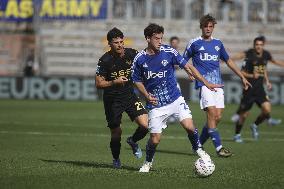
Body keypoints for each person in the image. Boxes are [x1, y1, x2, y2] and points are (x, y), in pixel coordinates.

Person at [132, 23, 221, 173]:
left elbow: (189, 66)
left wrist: (205, 82)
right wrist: (146, 95)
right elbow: (136, 80)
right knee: (155, 139)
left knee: (189, 126)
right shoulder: (139, 59)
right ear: (148, 38)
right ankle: (148, 162)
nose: (160, 41)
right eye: (156, 38)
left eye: (161, 38)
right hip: (156, 105)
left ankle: (198, 149)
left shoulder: (169, 51)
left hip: (175, 99)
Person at [182, 14, 251, 156]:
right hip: (204, 84)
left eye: (210, 26)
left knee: (217, 117)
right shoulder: (194, 43)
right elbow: (183, 60)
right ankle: (219, 148)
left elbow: (229, 61)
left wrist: (242, 76)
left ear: (213, 28)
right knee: (212, 114)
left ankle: (198, 145)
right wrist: (189, 73)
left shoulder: (218, 44)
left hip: (218, 85)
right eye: (205, 26)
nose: (208, 29)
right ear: (201, 27)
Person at [95, 27, 149, 169]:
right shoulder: (104, 60)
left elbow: (145, 63)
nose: (120, 45)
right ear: (109, 44)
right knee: (116, 132)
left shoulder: (132, 54)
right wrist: (114, 82)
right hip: (113, 101)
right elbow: (98, 83)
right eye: (116, 42)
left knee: (145, 125)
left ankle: (132, 140)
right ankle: (116, 159)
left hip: (130, 96)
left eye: (121, 41)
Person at [232, 36, 283, 142]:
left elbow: (263, 69)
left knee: (267, 109)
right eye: (257, 45)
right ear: (254, 45)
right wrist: (251, 76)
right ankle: (237, 134)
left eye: (260, 45)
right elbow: (242, 72)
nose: (258, 47)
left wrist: (267, 81)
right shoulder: (249, 57)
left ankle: (255, 125)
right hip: (249, 90)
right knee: (244, 115)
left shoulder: (265, 55)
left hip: (259, 89)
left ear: (263, 45)